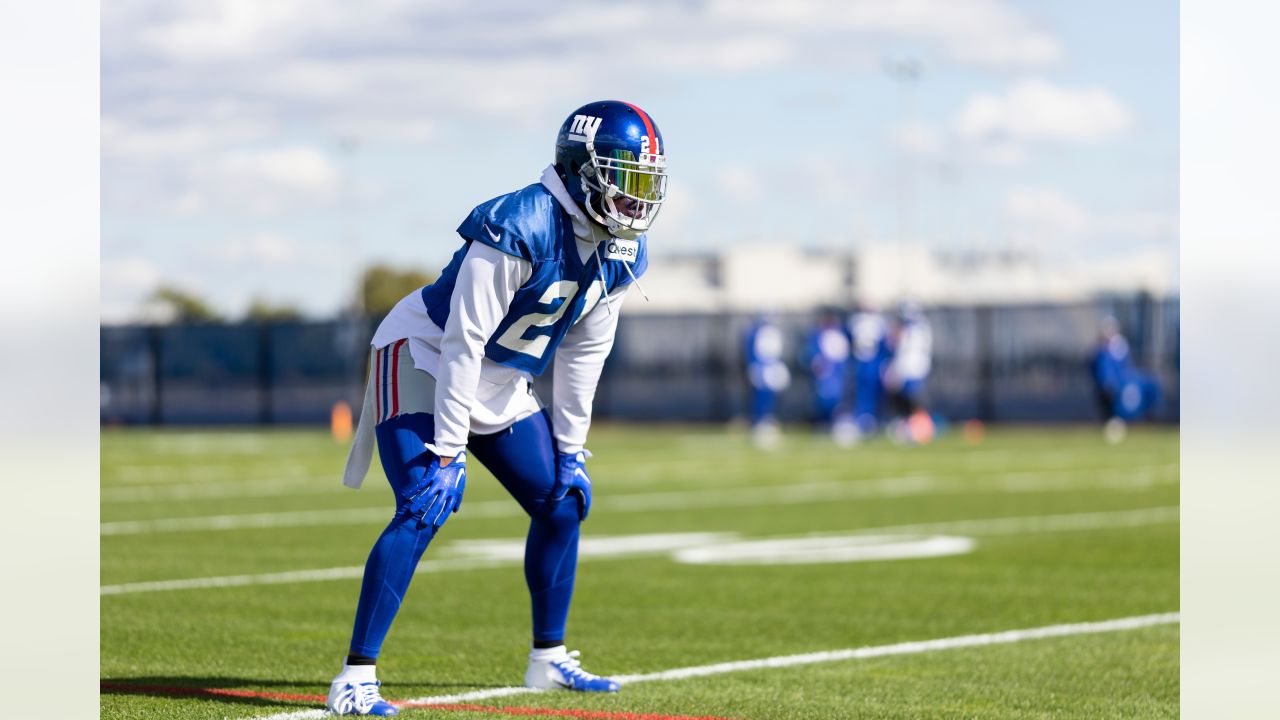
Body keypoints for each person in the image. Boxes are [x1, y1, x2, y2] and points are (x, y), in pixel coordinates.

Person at [325, 100, 668, 716]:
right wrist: (450, 450)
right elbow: (462, 341)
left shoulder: (620, 252)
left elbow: (584, 357)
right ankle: (355, 677)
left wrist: (571, 449)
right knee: (425, 501)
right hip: (425, 355)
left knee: (563, 502)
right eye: (622, 177)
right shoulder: (522, 222)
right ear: (581, 167)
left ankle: (548, 659)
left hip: (502, 377)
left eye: (642, 182)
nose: (633, 198)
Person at [1090, 315, 1161, 443]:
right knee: (1108, 409)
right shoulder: (1101, 350)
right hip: (1108, 385)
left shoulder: (1119, 347)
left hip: (1119, 385)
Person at [884, 301, 935, 444]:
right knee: (906, 399)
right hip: (915, 366)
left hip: (911, 367)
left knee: (913, 401)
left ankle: (922, 428)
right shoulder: (922, 326)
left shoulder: (911, 327)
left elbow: (900, 345)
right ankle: (911, 426)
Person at [803, 308, 852, 443]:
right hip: (825, 376)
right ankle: (823, 425)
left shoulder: (839, 335)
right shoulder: (818, 336)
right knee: (824, 401)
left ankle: (836, 425)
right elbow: (812, 356)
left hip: (836, 375)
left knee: (838, 400)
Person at [743, 314, 790, 448]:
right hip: (762, 367)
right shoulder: (756, 332)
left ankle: (768, 421)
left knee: (771, 397)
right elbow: (752, 351)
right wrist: (754, 366)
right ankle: (760, 422)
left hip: (772, 367)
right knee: (760, 397)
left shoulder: (773, 332)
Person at [848, 302, 891, 438]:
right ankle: (866, 420)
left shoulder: (857, 321)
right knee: (864, 394)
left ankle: (869, 420)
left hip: (867, 362)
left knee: (869, 394)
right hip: (868, 362)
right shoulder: (874, 322)